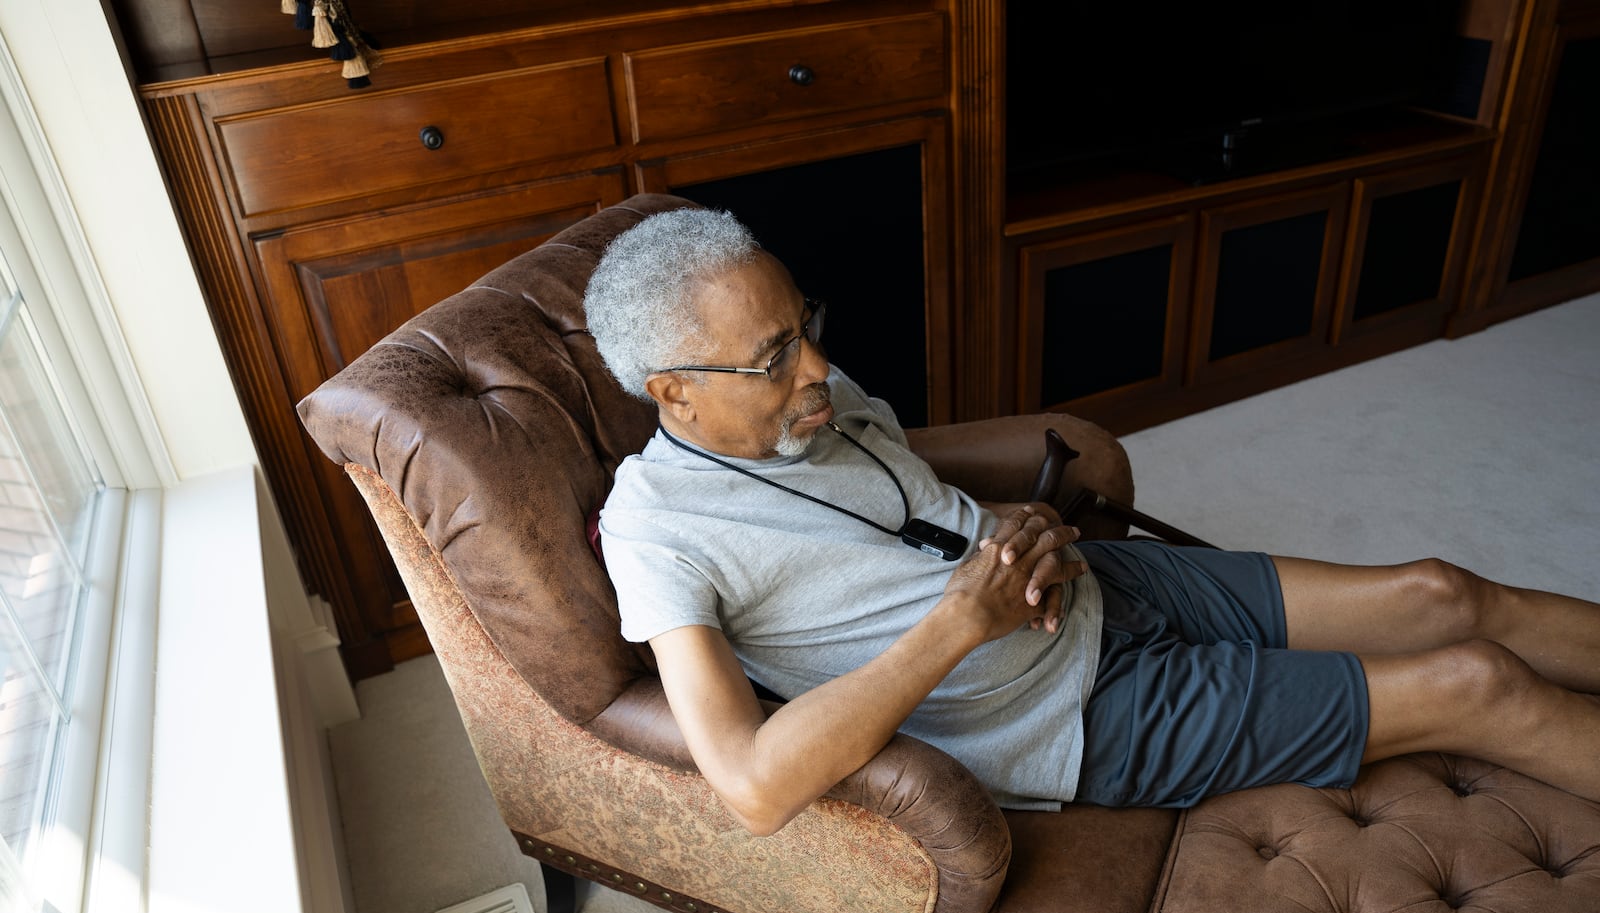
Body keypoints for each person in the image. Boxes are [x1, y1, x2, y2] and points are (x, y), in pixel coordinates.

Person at [585, 207, 1600, 837]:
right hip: (1073, 713)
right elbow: (754, 788)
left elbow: (889, 503)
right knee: (1479, 682)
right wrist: (956, 620)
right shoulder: (658, 534)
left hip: (1088, 583)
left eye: (804, 327)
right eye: (773, 356)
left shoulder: (810, 393)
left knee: (1442, 589)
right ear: (674, 391)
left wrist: (996, 517)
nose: (813, 368)